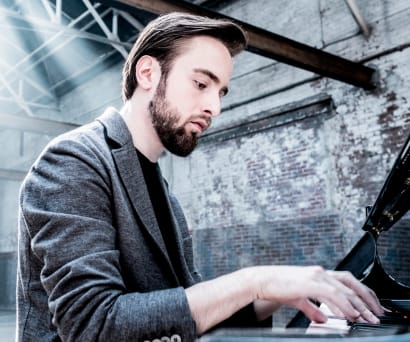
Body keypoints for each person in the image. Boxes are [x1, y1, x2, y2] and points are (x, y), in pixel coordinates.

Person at [16, 12, 383, 342]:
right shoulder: (72, 159)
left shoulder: (164, 193)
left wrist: (272, 295)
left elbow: (185, 314)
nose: (215, 107)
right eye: (201, 84)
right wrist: (254, 281)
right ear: (148, 73)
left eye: (221, 91)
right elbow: (93, 326)